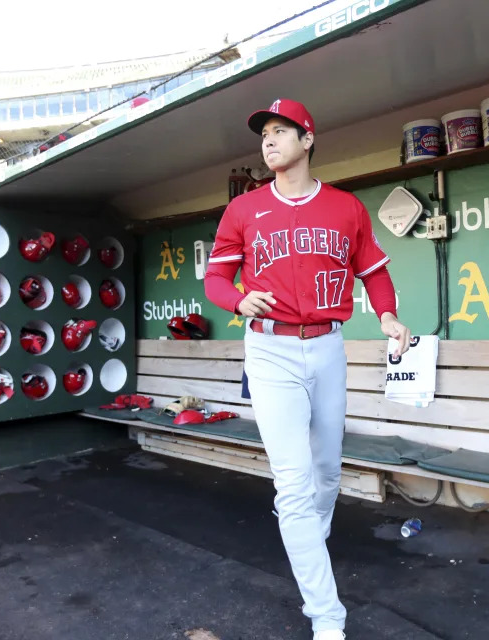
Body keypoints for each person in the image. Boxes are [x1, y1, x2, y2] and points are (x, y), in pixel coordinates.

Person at [204, 99, 412, 640]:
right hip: (270, 351)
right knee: (293, 485)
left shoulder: (345, 208)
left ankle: (305, 545)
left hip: (327, 348)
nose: (269, 141)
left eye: (280, 131)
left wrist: (388, 315)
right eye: (264, 134)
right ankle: (327, 614)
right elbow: (218, 280)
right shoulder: (244, 209)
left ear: (308, 139)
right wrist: (236, 301)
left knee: (327, 475)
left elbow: (373, 270)